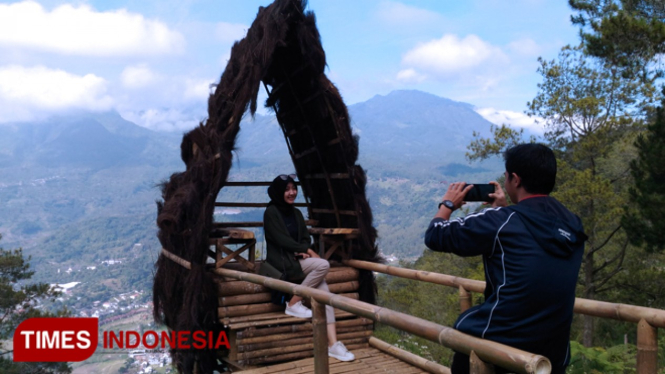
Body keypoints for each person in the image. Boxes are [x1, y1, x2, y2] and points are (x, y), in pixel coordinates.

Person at [424, 144, 586, 374]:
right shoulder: (573, 223)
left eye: (507, 176)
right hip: (553, 354)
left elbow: (435, 235)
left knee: (465, 341)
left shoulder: (501, 222)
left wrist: (447, 204)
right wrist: (505, 210)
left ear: (515, 179)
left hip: (500, 346)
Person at [263, 174, 355, 362]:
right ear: (279, 192)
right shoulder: (271, 212)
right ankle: (293, 303)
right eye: (287, 189)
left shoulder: (296, 213)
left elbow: (304, 238)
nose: (291, 193)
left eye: (293, 188)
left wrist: (303, 250)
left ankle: (333, 345)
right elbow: (280, 240)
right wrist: (305, 250)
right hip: (282, 263)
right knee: (323, 264)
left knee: (325, 295)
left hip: (297, 260)